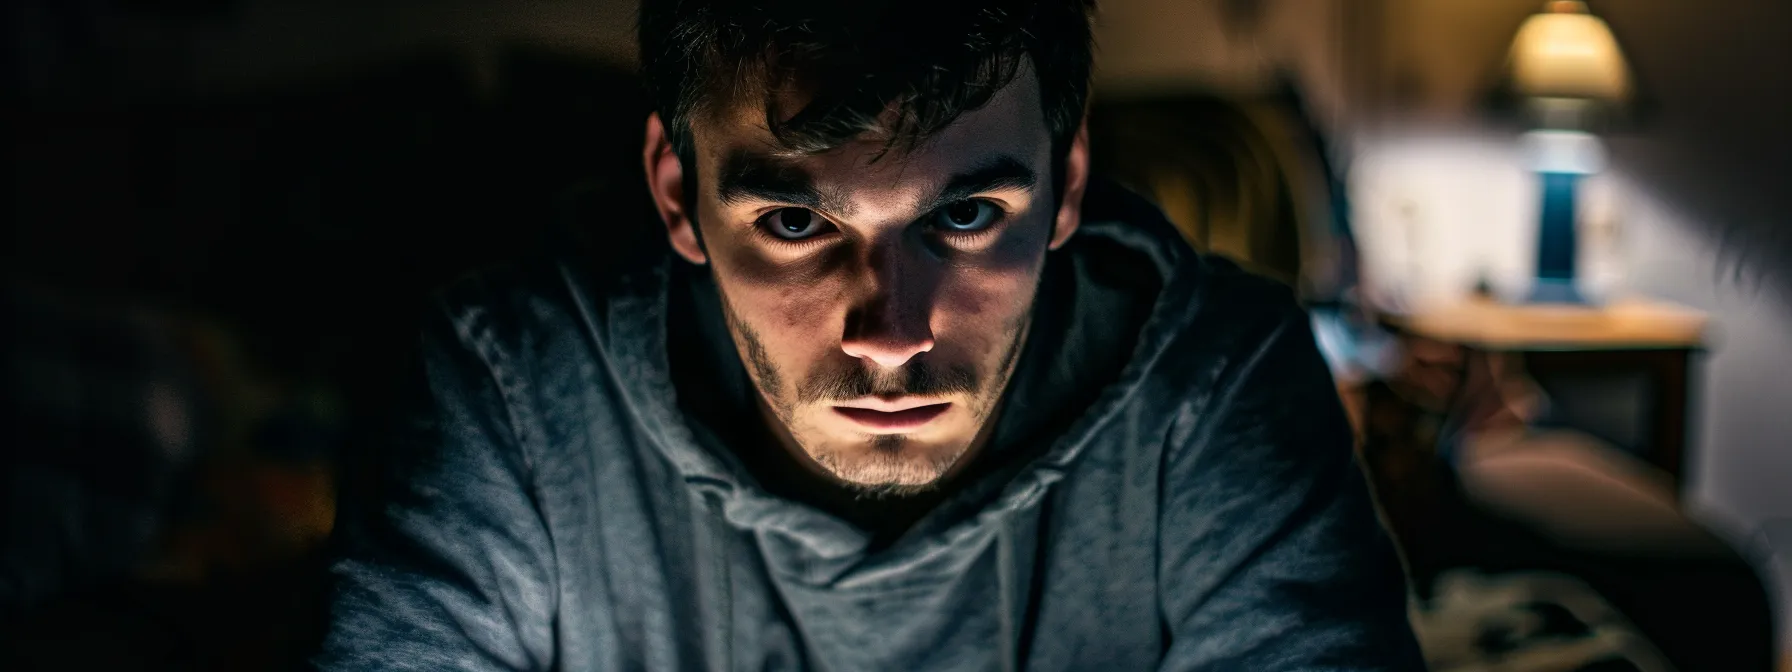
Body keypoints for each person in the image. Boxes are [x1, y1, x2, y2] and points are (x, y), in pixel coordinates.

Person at [312, 0, 1422, 668]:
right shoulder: (506, 383)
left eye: (967, 216)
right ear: (674, 192)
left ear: (1068, 182)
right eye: (796, 223)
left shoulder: (1220, 381)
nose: (889, 334)